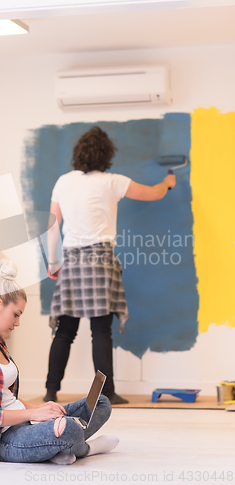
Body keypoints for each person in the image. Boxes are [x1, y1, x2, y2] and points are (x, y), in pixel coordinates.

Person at [44, 126, 176, 405]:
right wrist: (168, 182)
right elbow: (153, 194)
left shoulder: (63, 182)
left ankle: (50, 392)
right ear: (106, 155)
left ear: (79, 154)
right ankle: (107, 393)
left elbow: (52, 226)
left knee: (65, 331)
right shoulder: (112, 181)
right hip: (101, 259)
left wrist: (53, 262)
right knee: (100, 330)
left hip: (72, 259)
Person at [0, 259, 118, 464]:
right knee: (70, 428)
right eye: (16, 315)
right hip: (4, 439)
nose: (17, 323)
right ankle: (86, 448)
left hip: (25, 421)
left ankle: (57, 449)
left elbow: (6, 396)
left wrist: (41, 409)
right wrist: (34, 413)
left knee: (101, 403)